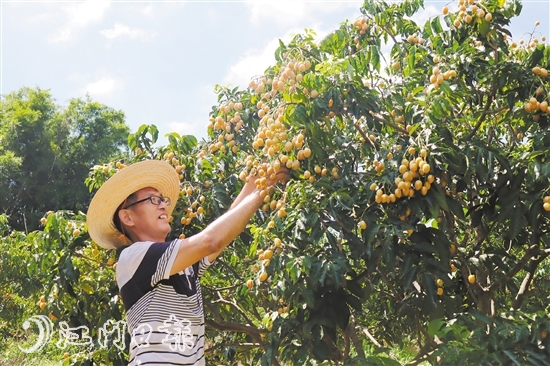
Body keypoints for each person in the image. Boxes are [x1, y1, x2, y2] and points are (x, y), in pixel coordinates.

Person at [87, 159, 289, 365]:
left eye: (162, 199)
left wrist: (253, 183)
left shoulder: (180, 266)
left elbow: (217, 241)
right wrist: (261, 192)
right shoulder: (134, 257)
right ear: (128, 218)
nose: (163, 205)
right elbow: (210, 241)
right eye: (153, 200)